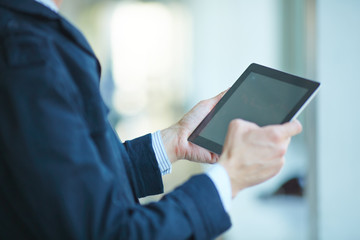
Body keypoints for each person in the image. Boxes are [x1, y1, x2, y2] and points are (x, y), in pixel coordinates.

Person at [0, 0, 303, 239]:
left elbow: (69, 186)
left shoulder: (27, 33)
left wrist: (173, 141)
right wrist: (229, 177)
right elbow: (108, 232)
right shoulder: (27, 46)